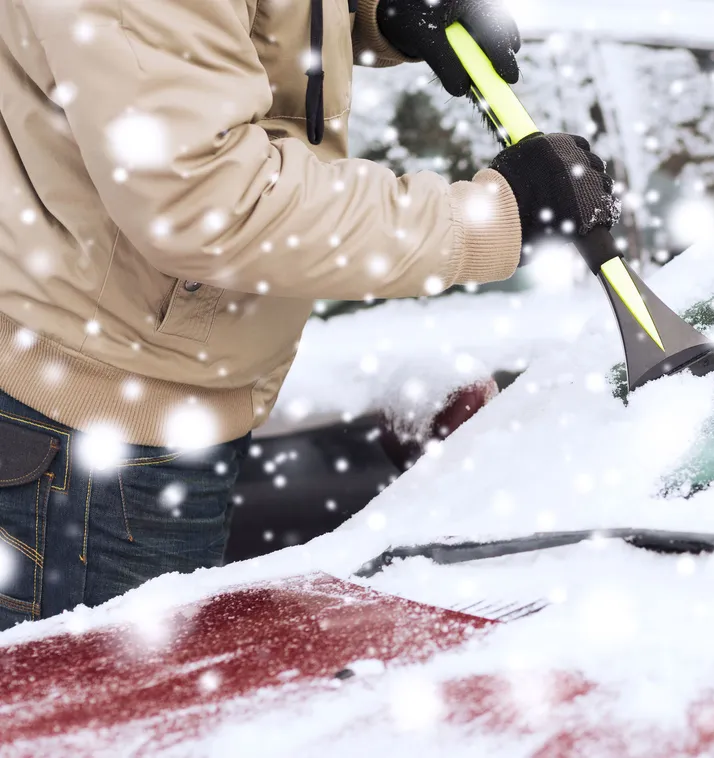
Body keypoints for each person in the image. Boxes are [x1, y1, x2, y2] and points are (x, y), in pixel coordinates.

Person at [0, 0, 617, 630]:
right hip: (92, 440)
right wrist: (493, 215)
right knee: (113, 715)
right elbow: (211, 202)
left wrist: (378, 12)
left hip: (150, 400)